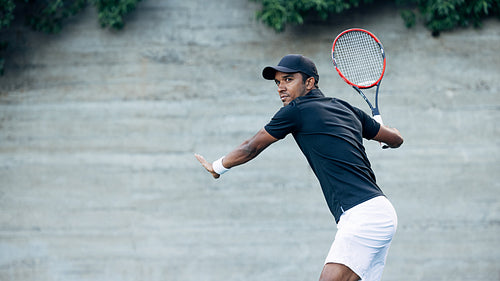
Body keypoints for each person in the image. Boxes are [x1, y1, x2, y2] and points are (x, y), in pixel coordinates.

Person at [194, 54, 403, 281]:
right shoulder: (347, 108)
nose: (281, 88)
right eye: (278, 82)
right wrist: (384, 130)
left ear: (310, 83)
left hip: (363, 216)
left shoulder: (297, 110)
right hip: (380, 212)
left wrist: (217, 167)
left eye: (288, 79)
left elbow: (250, 148)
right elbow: (395, 139)